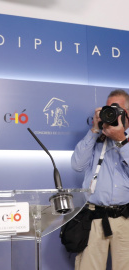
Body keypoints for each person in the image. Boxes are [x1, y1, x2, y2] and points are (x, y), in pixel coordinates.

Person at [71, 89, 129, 270]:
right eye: (108, 108)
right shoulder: (96, 139)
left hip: (125, 220)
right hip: (95, 218)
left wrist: (121, 141)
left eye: (117, 110)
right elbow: (77, 165)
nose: (112, 113)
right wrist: (95, 129)